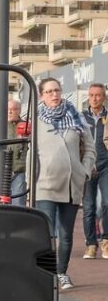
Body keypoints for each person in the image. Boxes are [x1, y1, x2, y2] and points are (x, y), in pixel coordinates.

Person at [34, 77, 95, 290]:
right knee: (46, 232)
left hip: (71, 184)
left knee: (66, 234)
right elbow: (32, 152)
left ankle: (61, 273)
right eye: (49, 91)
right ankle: (45, 273)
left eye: (57, 90)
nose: (54, 95)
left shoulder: (77, 118)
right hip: (45, 185)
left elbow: (90, 148)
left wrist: (84, 171)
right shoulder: (37, 119)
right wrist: (30, 181)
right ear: (42, 95)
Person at [81, 82, 108, 260]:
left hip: (106, 166)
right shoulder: (81, 117)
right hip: (87, 167)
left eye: (98, 95)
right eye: (91, 95)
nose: (94, 98)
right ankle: (91, 244)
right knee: (89, 208)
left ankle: (106, 241)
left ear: (104, 97)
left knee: (107, 203)